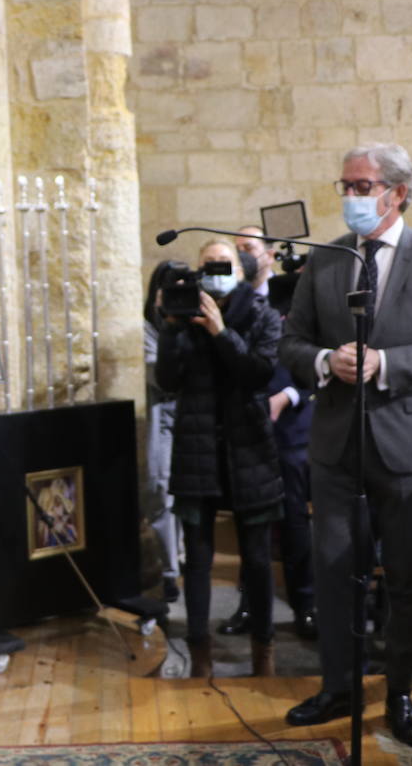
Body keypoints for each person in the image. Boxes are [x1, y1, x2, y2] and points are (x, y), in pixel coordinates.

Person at [281, 142, 412, 747]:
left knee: (408, 576)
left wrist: (385, 363)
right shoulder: (326, 258)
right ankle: (339, 684)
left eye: (360, 186)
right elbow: (290, 344)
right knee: (336, 569)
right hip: (337, 442)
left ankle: (398, 692)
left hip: (408, 442)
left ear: (397, 192)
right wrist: (323, 359)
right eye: (344, 185)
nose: (348, 197)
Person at [154, 239, 283, 678]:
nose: (214, 271)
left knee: (259, 560)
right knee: (198, 560)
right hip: (198, 451)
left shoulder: (263, 317)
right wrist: (171, 326)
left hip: (250, 449)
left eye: (223, 265)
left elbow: (259, 372)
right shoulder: (185, 318)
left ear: (244, 273)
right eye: (207, 264)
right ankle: (200, 653)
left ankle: (263, 651)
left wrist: (219, 331)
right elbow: (167, 380)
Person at [219, 226, 317, 642]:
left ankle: (306, 606)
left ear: (271, 254)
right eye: (238, 249)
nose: (244, 256)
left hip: (290, 429)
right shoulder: (229, 303)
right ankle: (250, 606)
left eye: (251, 249)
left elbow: (315, 368)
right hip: (246, 432)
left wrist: (288, 396)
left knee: (295, 524)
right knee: (250, 527)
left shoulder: (293, 300)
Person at [144, 260, 186, 603]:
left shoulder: (198, 323)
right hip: (163, 417)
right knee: (162, 492)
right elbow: (160, 377)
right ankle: (169, 571)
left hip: (194, 419)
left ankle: (181, 556)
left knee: (189, 495)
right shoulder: (146, 328)